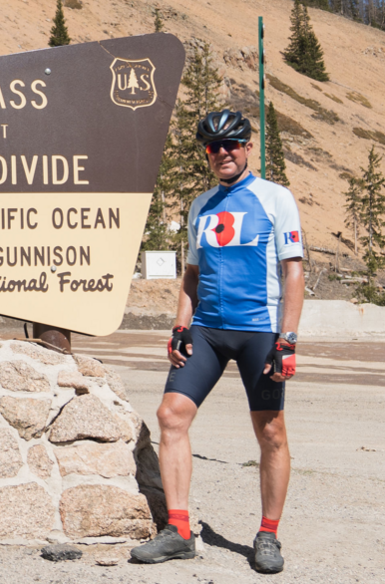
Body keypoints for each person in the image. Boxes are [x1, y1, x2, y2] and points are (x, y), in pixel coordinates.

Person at [130, 110, 303, 574]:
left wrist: (287, 339)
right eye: (213, 146)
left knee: (271, 432)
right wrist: (180, 327)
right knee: (171, 416)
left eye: (231, 143)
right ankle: (180, 530)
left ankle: (268, 534)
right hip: (205, 328)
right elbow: (191, 273)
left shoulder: (275, 198)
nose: (222, 152)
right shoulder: (200, 205)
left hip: (259, 330)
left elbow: (293, 270)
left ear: (247, 147)